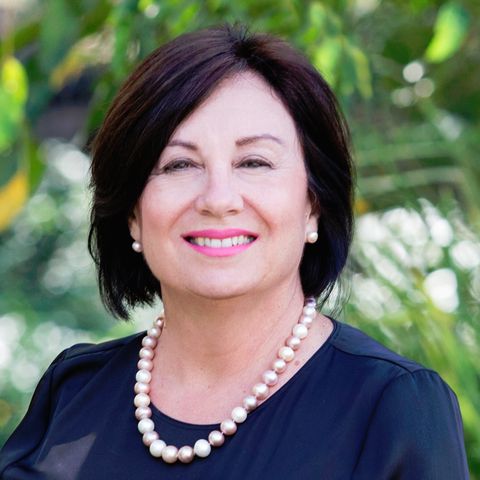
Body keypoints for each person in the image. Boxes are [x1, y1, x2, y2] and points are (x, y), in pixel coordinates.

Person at [0, 24, 469, 479]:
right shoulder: (74, 391)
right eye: (179, 164)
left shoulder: (392, 407)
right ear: (132, 213)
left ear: (313, 204)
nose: (218, 199)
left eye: (254, 162)